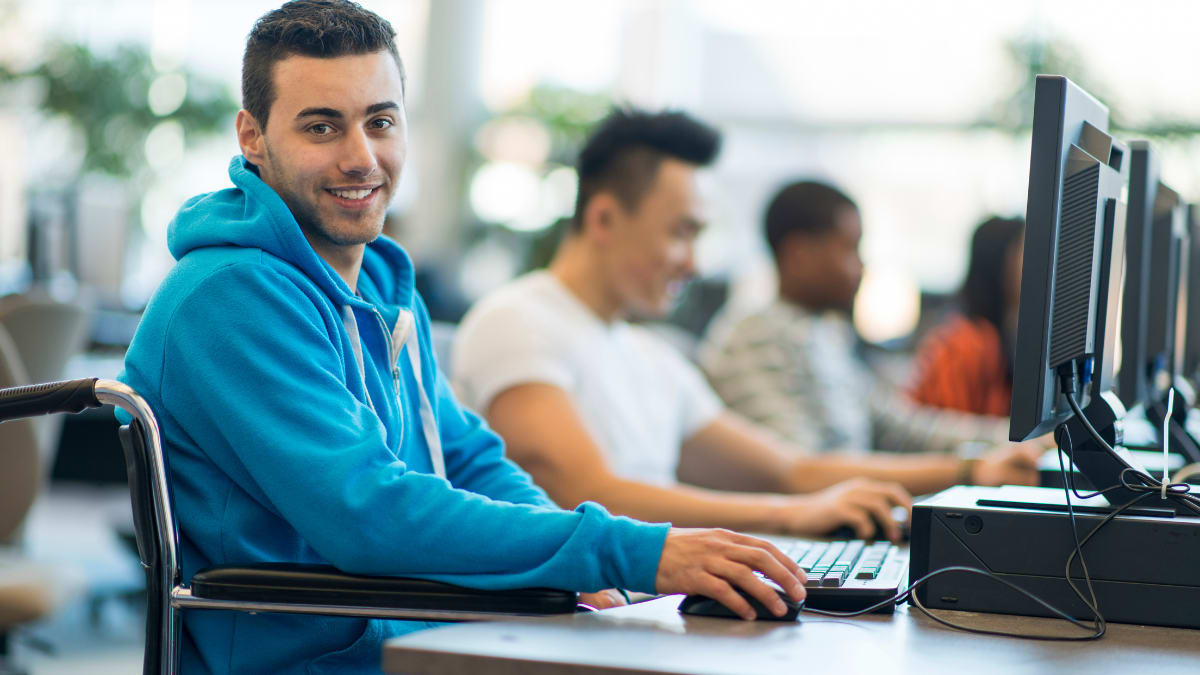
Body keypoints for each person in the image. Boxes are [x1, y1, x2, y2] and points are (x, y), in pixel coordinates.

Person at [118, 3, 805, 672]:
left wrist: (571, 570)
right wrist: (628, 550)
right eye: (321, 127)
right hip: (327, 654)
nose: (362, 157)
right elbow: (369, 510)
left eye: (380, 121)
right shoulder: (230, 296)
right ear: (251, 136)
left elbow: (468, 456)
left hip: (424, 629)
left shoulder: (382, 283)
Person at [452, 110, 1040, 549]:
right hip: (565, 621)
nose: (694, 262)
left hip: (647, 601)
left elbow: (791, 469)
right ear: (604, 217)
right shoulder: (518, 322)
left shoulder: (649, 355)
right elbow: (591, 492)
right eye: (682, 232)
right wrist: (790, 514)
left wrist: (973, 469)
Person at [700, 181, 1022, 455]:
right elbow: (800, 469)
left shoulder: (824, 335)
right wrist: (967, 471)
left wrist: (1017, 440)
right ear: (799, 254)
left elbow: (903, 426)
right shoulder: (755, 337)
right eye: (849, 249)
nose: (861, 266)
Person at [908, 216, 1025, 416]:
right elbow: (952, 434)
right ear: (999, 262)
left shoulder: (1007, 338)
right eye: (1025, 253)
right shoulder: (962, 344)